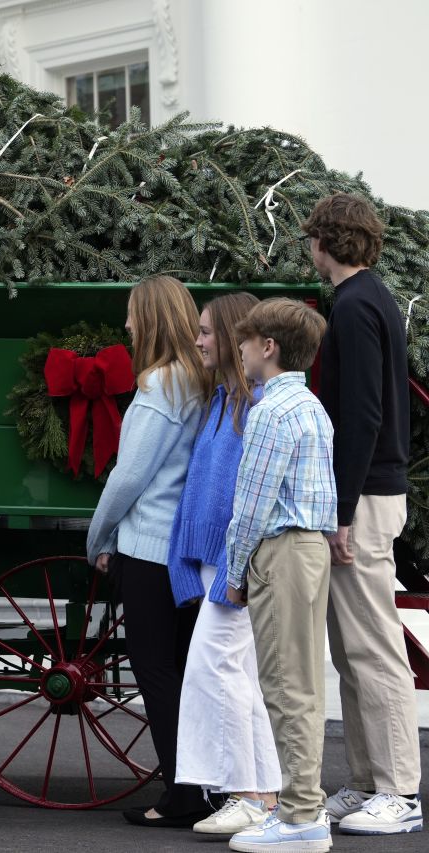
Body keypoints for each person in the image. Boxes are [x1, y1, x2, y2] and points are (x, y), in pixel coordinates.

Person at [303, 193, 423, 836]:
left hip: (365, 497)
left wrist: (340, 510)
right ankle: (366, 782)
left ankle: (399, 793)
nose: (307, 251)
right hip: (372, 491)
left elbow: (362, 415)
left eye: (310, 239)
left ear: (324, 241)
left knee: (372, 648)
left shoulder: (352, 306)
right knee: (353, 648)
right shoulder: (371, 298)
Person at [85, 274, 210, 828]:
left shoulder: (161, 382)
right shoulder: (201, 379)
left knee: (156, 674)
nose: (128, 324)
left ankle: (180, 796)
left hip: (150, 547)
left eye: (134, 314)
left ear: (152, 318)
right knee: (183, 673)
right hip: (182, 548)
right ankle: (199, 787)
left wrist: (98, 537)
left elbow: (128, 476)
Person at [224, 298, 337, 853]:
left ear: (268, 347)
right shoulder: (312, 406)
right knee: (304, 687)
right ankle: (302, 810)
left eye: (245, 342)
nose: (239, 350)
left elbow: (250, 504)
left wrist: (234, 571)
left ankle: (300, 819)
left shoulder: (270, 410)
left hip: (281, 552)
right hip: (309, 549)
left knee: (286, 687)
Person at [167, 293, 281, 834]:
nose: (199, 340)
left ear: (237, 338)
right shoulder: (222, 403)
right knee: (236, 676)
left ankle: (247, 794)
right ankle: (263, 795)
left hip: (238, 571)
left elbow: (247, 501)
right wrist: (185, 564)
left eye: (208, 331)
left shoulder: (255, 408)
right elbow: (199, 498)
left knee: (217, 670)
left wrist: (232, 575)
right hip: (220, 565)